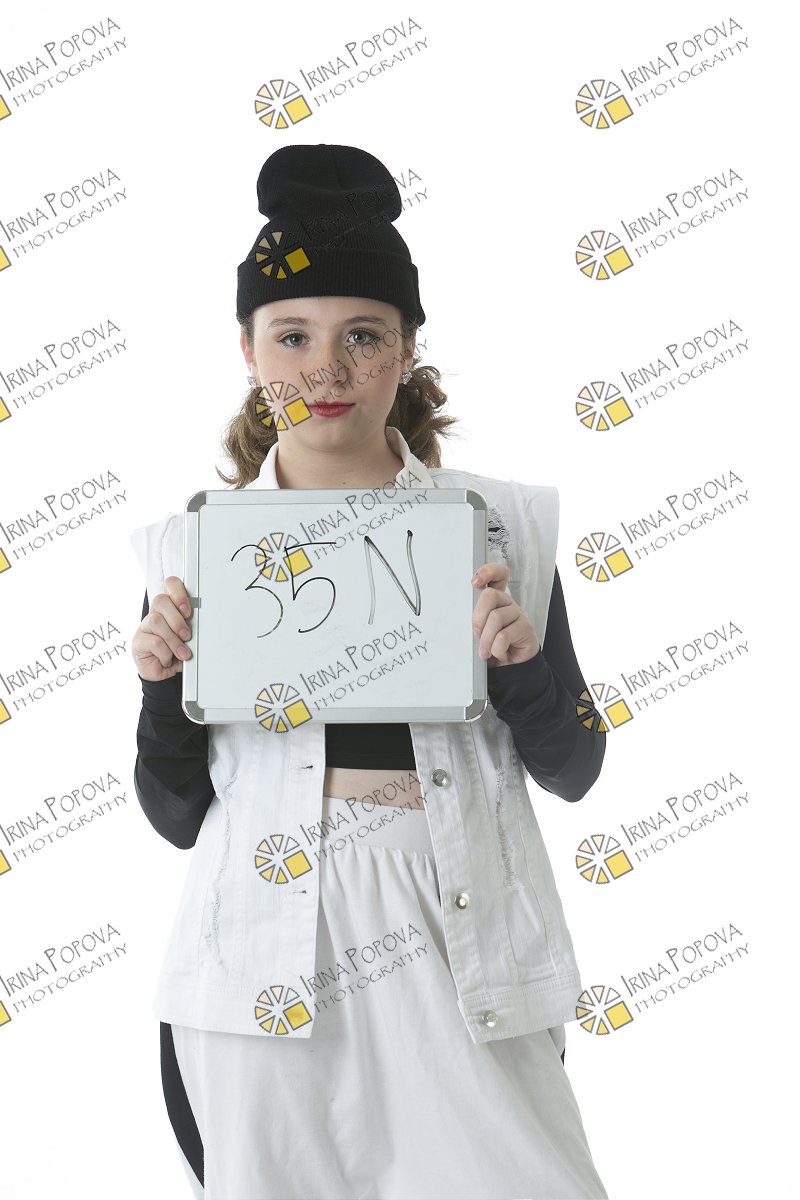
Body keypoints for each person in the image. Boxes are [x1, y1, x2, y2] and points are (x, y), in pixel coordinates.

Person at [130, 143, 610, 1200]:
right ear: (247, 349)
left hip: (457, 928)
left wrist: (519, 667)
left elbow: (575, 767)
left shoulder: (499, 526)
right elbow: (174, 815)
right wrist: (165, 689)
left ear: (406, 348)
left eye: (363, 335)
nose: (326, 371)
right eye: (292, 336)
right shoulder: (196, 547)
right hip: (259, 956)